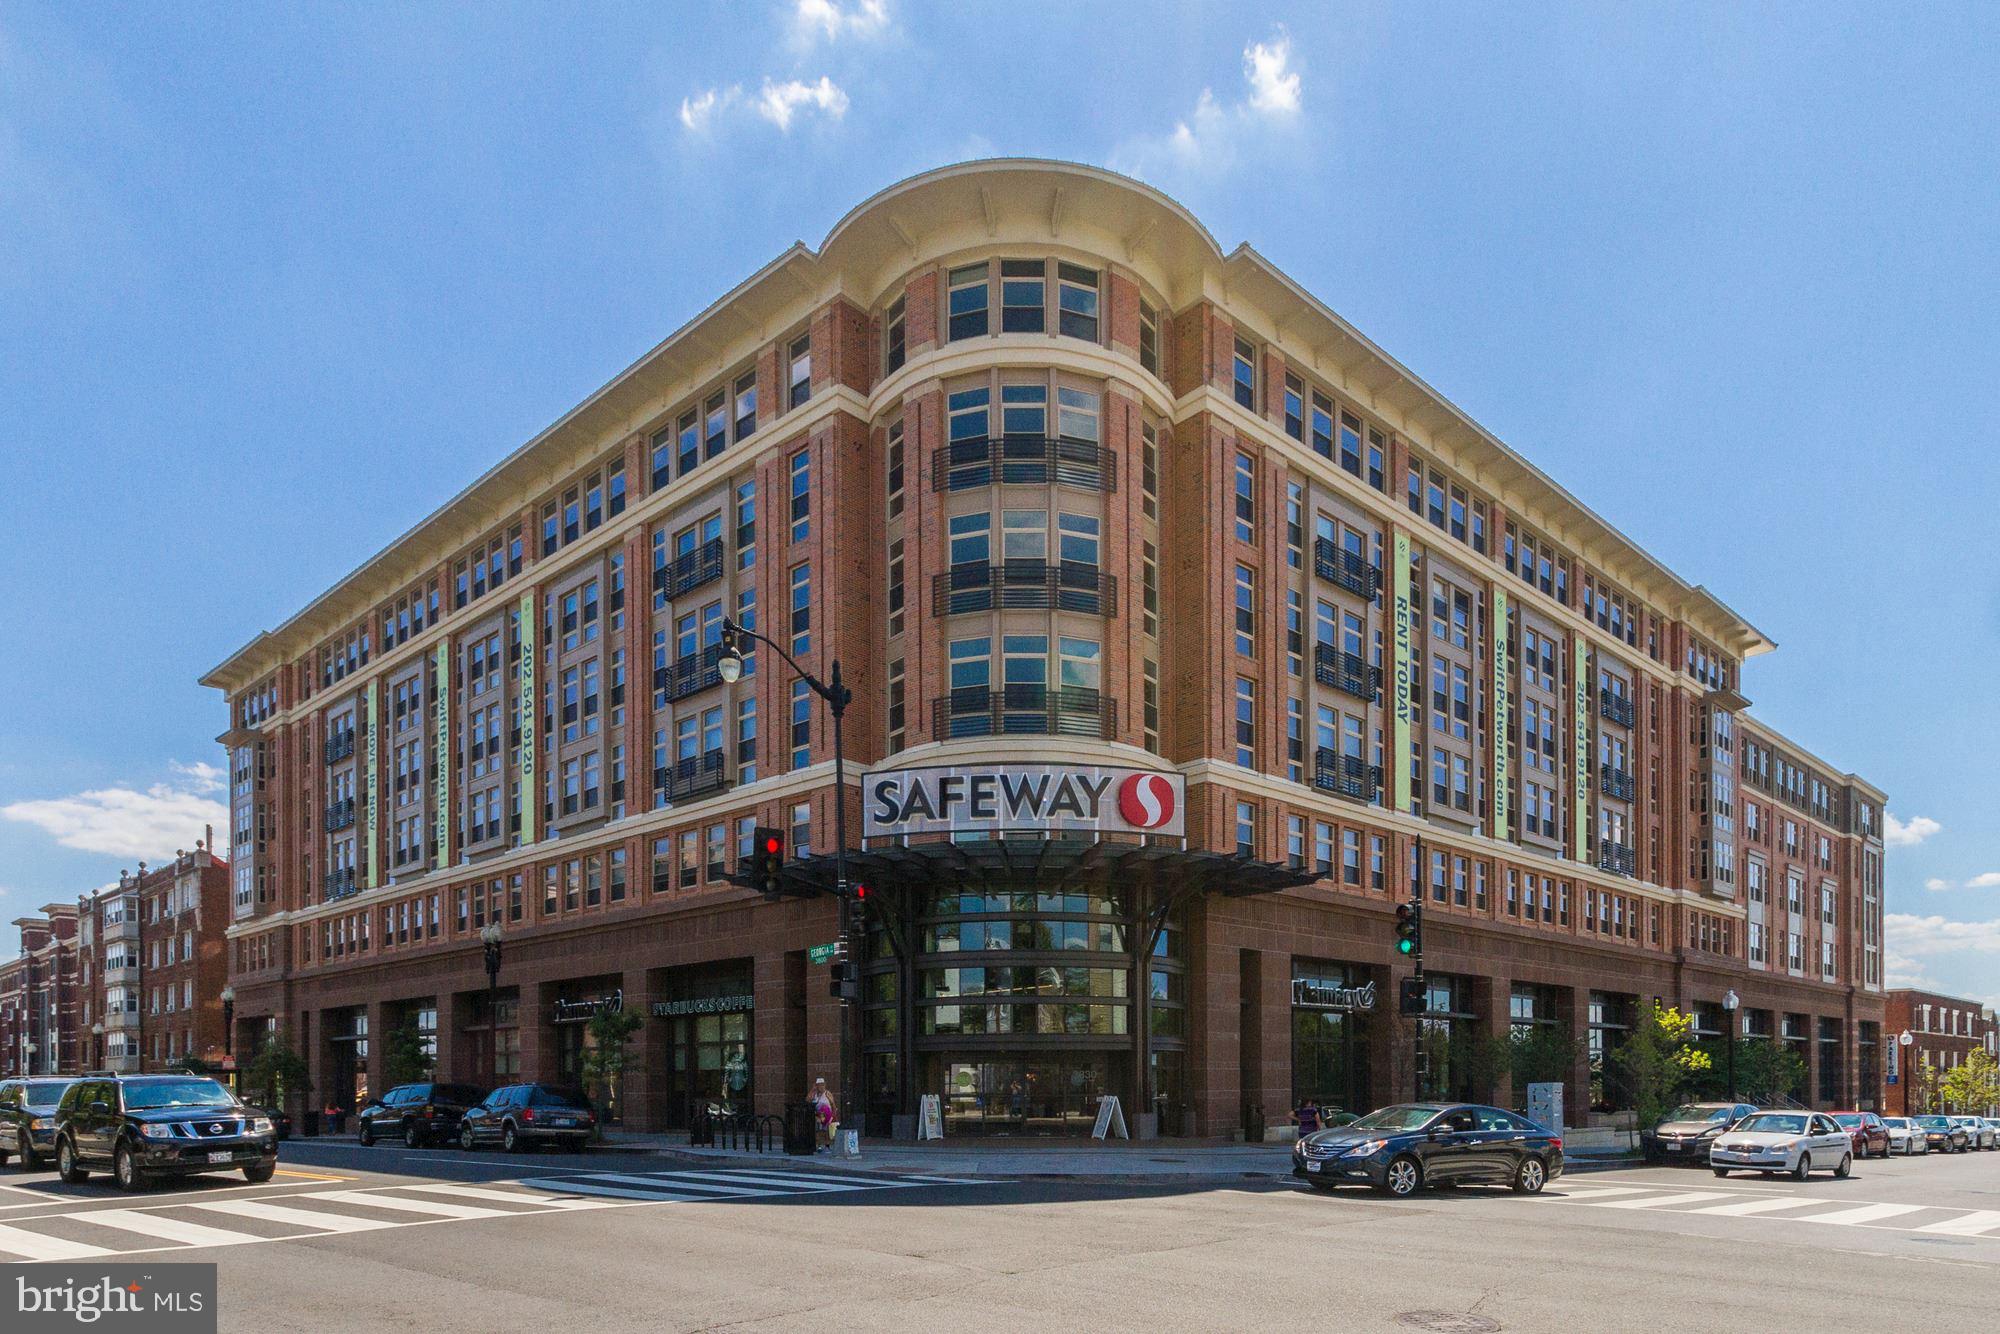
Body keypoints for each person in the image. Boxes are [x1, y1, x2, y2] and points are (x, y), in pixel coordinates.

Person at [809, 1077, 836, 1151]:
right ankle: (819, 1145)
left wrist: (834, 1115)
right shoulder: (815, 1094)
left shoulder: (827, 1093)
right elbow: (808, 1100)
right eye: (819, 1085)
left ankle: (827, 1146)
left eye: (822, 1085)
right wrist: (812, 1090)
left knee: (826, 1130)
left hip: (827, 1114)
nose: (820, 1087)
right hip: (817, 1115)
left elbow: (833, 1104)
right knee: (818, 1130)